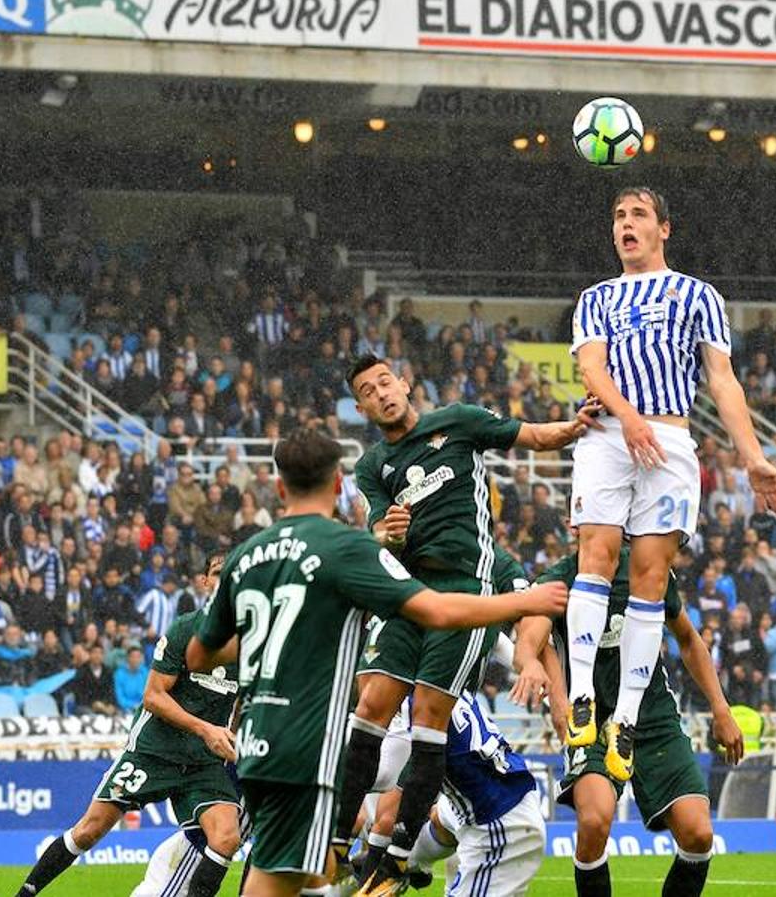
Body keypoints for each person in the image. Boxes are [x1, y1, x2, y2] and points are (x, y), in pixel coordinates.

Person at [186, 429, 567, 897]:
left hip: (256, 740)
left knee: (281, 876)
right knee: (302, 875)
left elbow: (199, 654)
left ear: (280, 488)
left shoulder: (246, 556)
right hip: (311, 743)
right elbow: (438, 611)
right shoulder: (347, 548)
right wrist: (522, 602)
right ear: (338, 482)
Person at [333, 354, 595, 896]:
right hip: (409, 599)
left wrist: (572, 428)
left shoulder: (458, 422)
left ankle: (394, 859)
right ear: (360, 407)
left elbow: (532, 437)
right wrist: (391, 534)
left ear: (405, 384)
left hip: (464, 595)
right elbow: (378, 534)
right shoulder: (373, 466)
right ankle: (334, 844)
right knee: (369, 708)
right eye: (368, 390)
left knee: (430, 720)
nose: (381, 393)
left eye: (386, 381)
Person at [566, 186, 776, 784]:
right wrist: (628, 416)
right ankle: (582, 697)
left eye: (638, 215)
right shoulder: (595, 298)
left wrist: (753, 459)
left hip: (669, 441)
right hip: (611, 433)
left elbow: (723, 381)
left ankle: (627, 721)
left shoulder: (697, 295)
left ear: (665, 228)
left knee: (650, 578)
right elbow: (591, 366)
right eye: (618, 216)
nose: (626, 224)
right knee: (595, 553)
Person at [513, 543, 745, 897]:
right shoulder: (559, 578)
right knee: (594, 821)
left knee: (698, 834)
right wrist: (532, 665)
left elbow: (687, 638)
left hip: (652, 718)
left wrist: (721, 708)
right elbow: (531, 635)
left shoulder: (648, 571)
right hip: (590, 719)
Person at [18, 559, 243, 897]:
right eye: (217, 574)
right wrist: (205, 729)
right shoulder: (185, 630)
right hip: (154, 751)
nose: (225, 581)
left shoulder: (249, 644)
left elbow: (243, 700)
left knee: (227, 837)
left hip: (201, 761)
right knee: (89, 831)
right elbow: (153, 697)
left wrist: (232, 734)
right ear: (204, 582)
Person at [361, 691, 546, 897]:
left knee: (436, 808)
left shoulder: (418, 702)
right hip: (495, 791)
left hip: (498, 825)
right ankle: (415, 861)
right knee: (442, 815)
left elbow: (393, 778)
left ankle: (407, 862)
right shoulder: (448, 684)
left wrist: (394, 858)